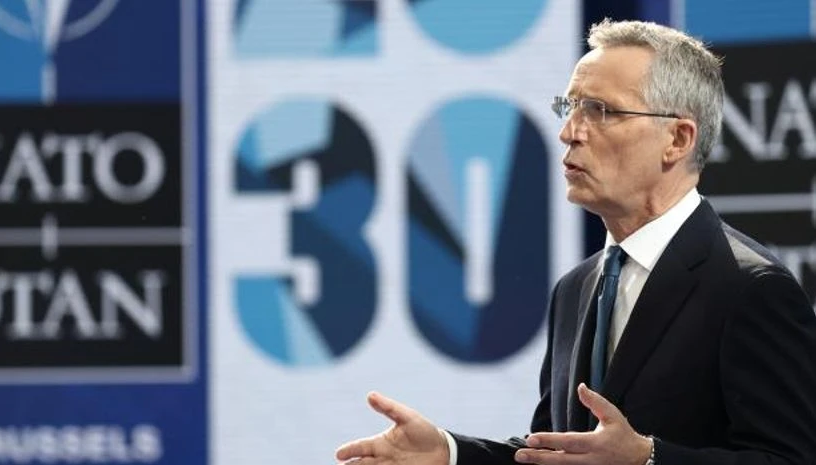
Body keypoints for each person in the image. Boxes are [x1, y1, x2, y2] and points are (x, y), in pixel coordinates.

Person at [335, 19, 816, 465]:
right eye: (569, 108)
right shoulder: (576, 288)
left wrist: (649, 458)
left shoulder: (749, 288)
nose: (569, 133)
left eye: (600, 111)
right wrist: (450, 452)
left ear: (678, 139)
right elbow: (556, 454)